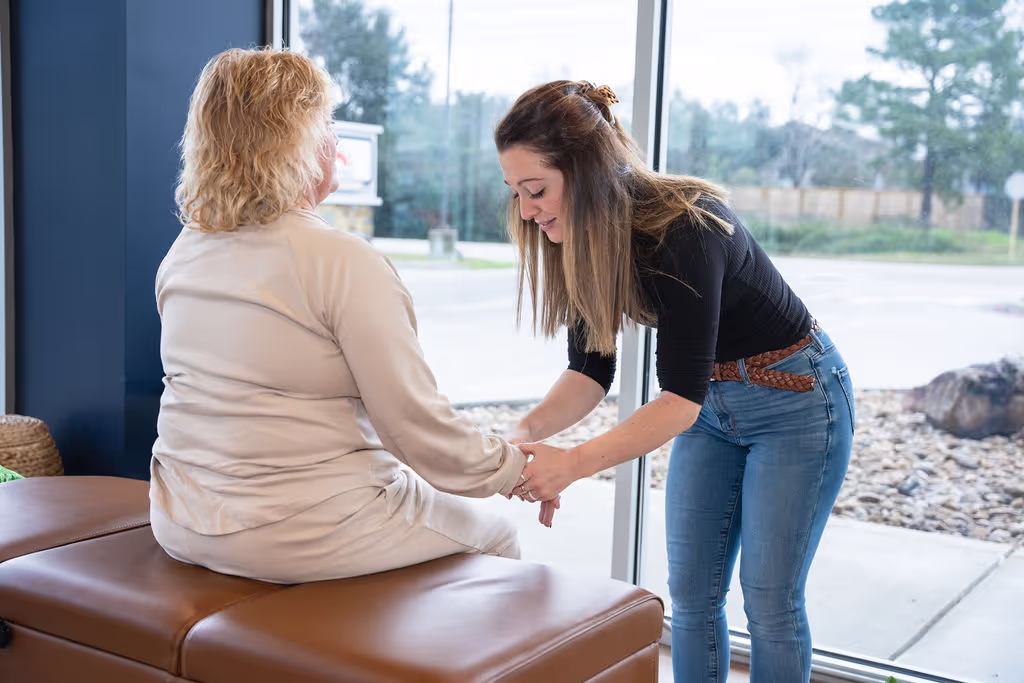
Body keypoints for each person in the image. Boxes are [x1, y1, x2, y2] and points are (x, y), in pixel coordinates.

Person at [494, 80, 855, 683]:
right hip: (712, 409)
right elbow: (590, 372)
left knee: (769, 601)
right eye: (516, 193)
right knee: (690, 597)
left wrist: (573, 463)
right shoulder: (583, 241)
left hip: (795, 403)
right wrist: (522, 434)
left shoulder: (687, 226)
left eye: (536, 190)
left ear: (587, 172)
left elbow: (676, 401)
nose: (526, 211)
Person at [149, 47, 528, 585]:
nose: (335, 142)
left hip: (179, 518)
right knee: (498, 534)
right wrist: (515, 469)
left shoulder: (184, 252)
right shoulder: (341, 260)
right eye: (325, 125)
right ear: (296, 144)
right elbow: (412, 428)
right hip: (299, 529)